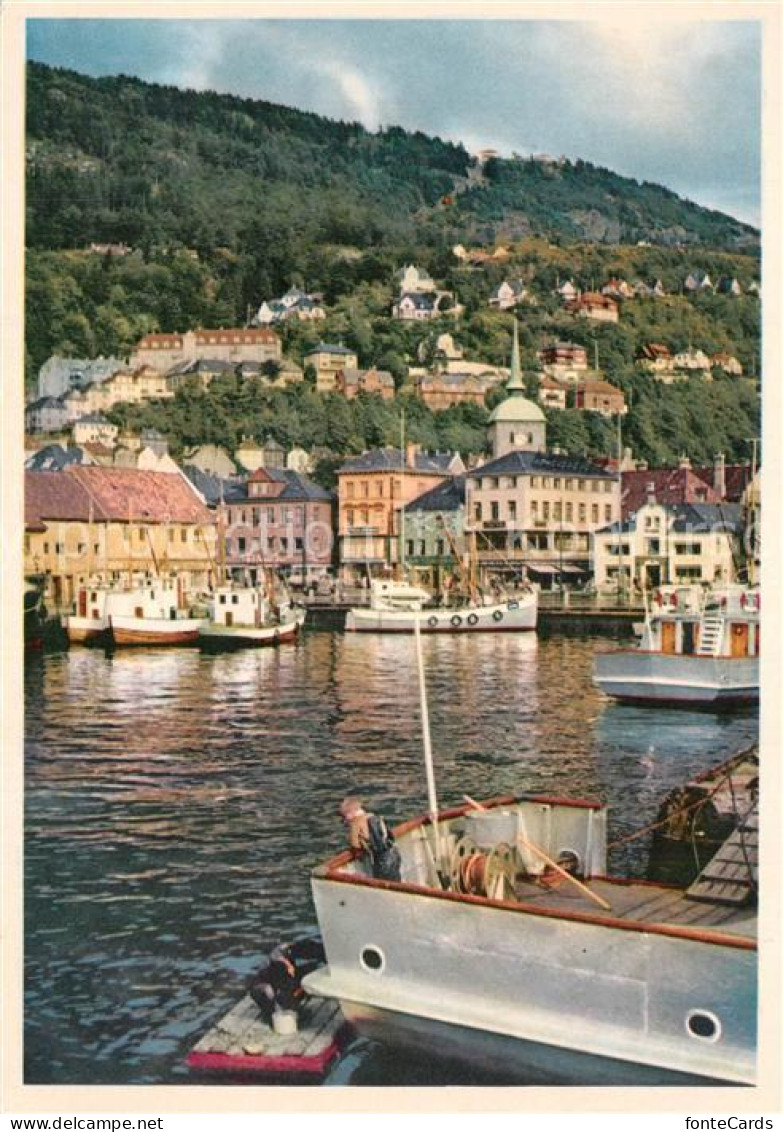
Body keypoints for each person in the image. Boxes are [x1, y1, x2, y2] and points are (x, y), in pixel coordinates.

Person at [248, 936, 326, 1025]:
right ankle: (274, 1012)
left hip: (281, 981)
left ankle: (287, 1008)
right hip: (271, 990)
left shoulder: (288, 952)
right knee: (283, 998)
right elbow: (274, 991)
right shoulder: (276, 969)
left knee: (291, 990)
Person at [339, 796, 402, 882]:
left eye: (345, 816)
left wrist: (357, 852)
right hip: (394, 852)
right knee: (396, 882)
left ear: (351, 812)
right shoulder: (371, 816)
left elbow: (355, 844)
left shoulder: (355, 823)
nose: (344, 819)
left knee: (383, 885)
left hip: (382, 860)